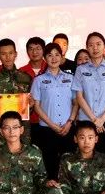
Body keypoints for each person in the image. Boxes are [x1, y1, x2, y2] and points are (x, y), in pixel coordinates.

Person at [72, 32, 105, 169]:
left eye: (98, 44)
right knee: (85, 160)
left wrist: (103, 118)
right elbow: (79, 97)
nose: (95, 48)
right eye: (91, 45)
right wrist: (95, 120)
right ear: (87, 48)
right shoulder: (80, 70)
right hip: (86, 121)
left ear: (104, 47)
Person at [31, 43, 79, 179]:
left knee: (69, 165)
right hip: (47, 130)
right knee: (50, 164)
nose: (54, 58)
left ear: (62, 57)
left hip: (67, 128)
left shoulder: (70, 78)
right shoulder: (39, 80)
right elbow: (36, 106)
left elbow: (76, 103)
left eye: (57, 55)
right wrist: (52, 125)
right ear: (45, 58)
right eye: (50, 55)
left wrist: (70, 122)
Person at [0, 38, 33, 145]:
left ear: (15, 54)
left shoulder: (26, 78)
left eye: (10, 53)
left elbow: (30, 109)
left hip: (23, 132)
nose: (8, 57)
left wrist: (31, 105)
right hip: (1, 134)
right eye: (3, 54)